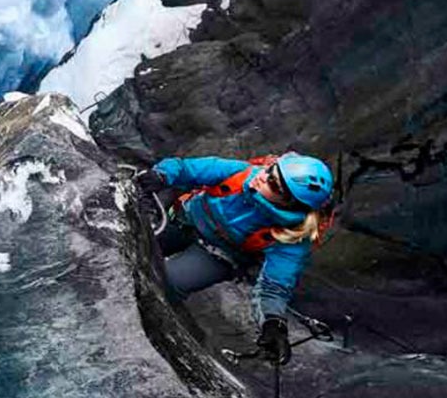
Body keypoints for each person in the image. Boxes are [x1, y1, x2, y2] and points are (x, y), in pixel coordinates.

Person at [136, 152, 335, 365]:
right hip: (185, 221)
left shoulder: (292, 237)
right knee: (136, 241)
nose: (263, 177)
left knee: (164, 285)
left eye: (274, 184)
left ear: (291, 204)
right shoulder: (240, 173)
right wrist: (161, 176)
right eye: (271, 171)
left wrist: (273, 324)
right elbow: (186, 168)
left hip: (219, 256)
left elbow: (274, 287)